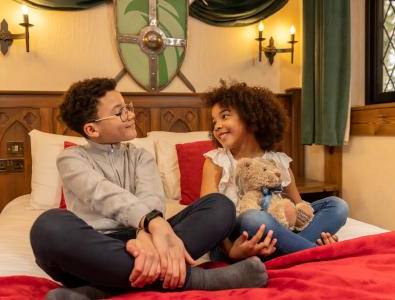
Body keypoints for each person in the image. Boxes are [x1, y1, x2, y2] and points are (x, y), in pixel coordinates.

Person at [30, 78, 268, 300]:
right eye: (120, 111)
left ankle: (97, 290)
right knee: (47, 226)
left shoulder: (140, 156)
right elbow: (102, 194)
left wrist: (145, 233)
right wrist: (152, 223)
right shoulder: (71, 158)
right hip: (95, 249)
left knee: (219, 205)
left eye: (128, 106)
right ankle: (198, 279)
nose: (131, 114)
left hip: (153, 237)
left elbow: (151, 196)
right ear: (92, 130)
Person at [200, 80, 349, 262]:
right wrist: (231, 251)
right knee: (254, 219)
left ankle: (287, 253)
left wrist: (312, 226)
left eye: (224, 116)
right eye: (214, 121)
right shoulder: (216, 160)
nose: (216, 126)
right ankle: (316, 253)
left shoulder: (279, 161)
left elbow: (301, 211)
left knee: (337, 206)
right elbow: (209, 216)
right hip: (234, 241)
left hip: (277, 230)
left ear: (251, 117)